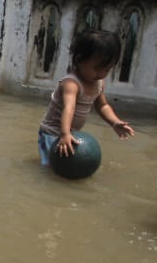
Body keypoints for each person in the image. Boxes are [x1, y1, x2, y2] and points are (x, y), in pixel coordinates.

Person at [37, 28, 135, 166]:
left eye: (107, 69)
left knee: (68, 165)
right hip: (52, 132)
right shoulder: (71, 84)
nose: (101, 74)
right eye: (97, 68)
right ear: (79, 60)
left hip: (71, 132)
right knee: (51, 167)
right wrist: (64, 134)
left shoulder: (99, 84)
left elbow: (103, 106)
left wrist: (114, 122)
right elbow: (69, 108)